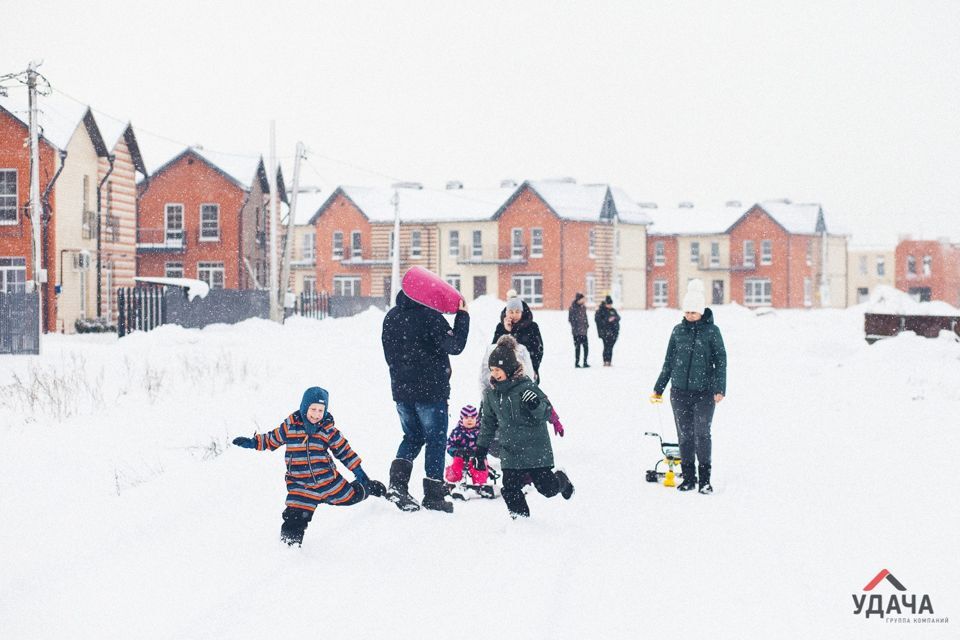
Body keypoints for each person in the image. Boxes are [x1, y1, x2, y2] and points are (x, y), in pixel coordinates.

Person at [231, 387, 385, 546]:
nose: (316, 414)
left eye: (320, 410)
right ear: (304, 407)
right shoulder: (290, 426)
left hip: (327, 481)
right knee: (294, 516)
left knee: (350, 497)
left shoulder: (327, 430)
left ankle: (369, 488)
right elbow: (272, 439)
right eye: (313, 409)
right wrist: (253, 442)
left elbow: (344, 451)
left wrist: (359, 472)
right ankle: (288, 549)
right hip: (300, 485)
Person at [381, 289, 470, 513]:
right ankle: (433, 495)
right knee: (435, 439)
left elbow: (389, 354)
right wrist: (462, 316)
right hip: (430, 392)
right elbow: (455, 346)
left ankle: (397, 486)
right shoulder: (430, 316)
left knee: (412, 436)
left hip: (401, 391)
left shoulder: (391, 317)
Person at [474, 336, 574, 519]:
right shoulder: (490, 394)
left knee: (547, 488)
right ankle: (521, 523)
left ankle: (562, 480)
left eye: (498, 369)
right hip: (510, 449)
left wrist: (536, 404)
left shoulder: (527, 386)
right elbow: (488, 423)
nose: (494, 374)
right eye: (492, 369)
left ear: (510, 368)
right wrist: (480, 450)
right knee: (510, 488)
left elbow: (546, 412)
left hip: (535, 448)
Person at [650, 280, 726, 495]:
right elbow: (669, 361)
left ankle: (705, 480)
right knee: (684, 435)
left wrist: (719, 388)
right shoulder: (677, 331)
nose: (690, 315)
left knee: (702, 434)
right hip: (679, 392)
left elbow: (721, 360)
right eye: (687, 311)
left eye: (694, 312)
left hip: (704, 392)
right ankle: (689, 478)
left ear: (701, 311)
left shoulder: (712, 332)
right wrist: (659, 388)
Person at [444, 404, 494, 498]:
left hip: (476, 456)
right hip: (461, 456)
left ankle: (481, 485)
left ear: (477, 418)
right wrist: (456, 451)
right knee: (457, 466)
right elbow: (450, 445)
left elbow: (487, 444)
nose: (470, 420)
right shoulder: (457, 432)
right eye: (466, 417)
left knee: (480, 466)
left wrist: (481, 451)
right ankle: (453, 482)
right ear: (462, 419)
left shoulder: (480, 432)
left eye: (472, 417)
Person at [493, 296, 544, 381]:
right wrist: (507, 331)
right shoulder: (501, 327)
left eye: (517, 312)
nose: (514, 315)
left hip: (527, 372)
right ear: (506, 313)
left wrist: (534, 368)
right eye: (511, 312)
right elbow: (495, 350)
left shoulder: (532, 327)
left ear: (522, 312)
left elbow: (538, 351)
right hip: (505, 374)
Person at [595, 295, 621, 366]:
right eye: (608, 304)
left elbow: (618, 317)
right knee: (606, 346)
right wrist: (607, 320)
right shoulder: (601, 311)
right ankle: (605, 361)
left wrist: (614, 319)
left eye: (611, 304)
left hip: (613, 332)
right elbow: (598, 321)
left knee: (610, 347)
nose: (610, 306)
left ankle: (609, 361)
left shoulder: (613, 310)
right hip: (605, 333)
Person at [568, 292, 590, 368]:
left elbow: (585, 317)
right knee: (578, 348)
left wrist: (586, 325)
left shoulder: (583, 307)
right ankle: (577, 363)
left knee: (586, 347)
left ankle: (585, 362)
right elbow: (570, 319)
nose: (584, 300)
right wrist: (576, 327)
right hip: (576, 332)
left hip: (584, 331)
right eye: (583, 299)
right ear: (579, 299)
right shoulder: (572, 308)